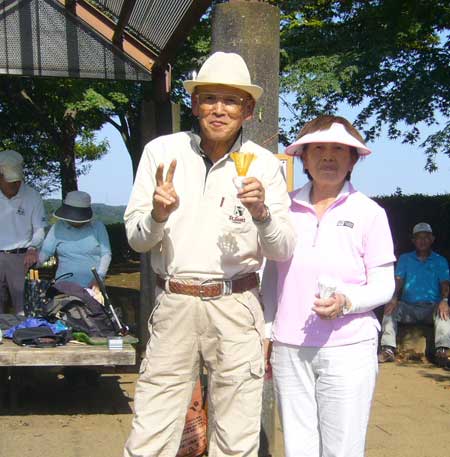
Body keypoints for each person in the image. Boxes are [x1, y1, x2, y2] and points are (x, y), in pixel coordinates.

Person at [123, 51, 296, 457]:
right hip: (175, 301)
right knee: (151, 428)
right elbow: (136, 238)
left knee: (235, 437)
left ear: (248, 109)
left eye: (231, 100)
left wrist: (262, 213)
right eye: (209, 98)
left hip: (236, 305)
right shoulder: (160, 153)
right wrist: (158, 215)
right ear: (196, 103)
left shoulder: (266, 166)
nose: (219, 109)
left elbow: (284, 247)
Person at [262, 115, 395, 457]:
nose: (328, 156)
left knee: (343, 449)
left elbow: (383, 285)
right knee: (298, 447)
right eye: (318, 148)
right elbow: (270, 275)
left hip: (350, 347)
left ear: (353, 159)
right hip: (290, 346)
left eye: (339, 148)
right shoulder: (282, 208)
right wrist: (267, 331)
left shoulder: (370, 213)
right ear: (303, 157)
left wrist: (346, 301)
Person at [378, 222, 450, 367]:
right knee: (390, 308)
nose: (422, 241)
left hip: (431, 308)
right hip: (408, 307)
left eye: (426, 237)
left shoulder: (440, 261)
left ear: (432, 239)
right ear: (413, 241)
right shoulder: (405, 259)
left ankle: (442, 351)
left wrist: (445, 300)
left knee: (444, 312)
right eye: (418, 237)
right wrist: (393, 298)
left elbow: (445, 284)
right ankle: (388, 349)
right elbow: (398, 280)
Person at [0, 150, 47, 314]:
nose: (15, 185)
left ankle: (23, 336)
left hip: (21, 257)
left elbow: (39, 229)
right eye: (10, 181)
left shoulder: (33, 196)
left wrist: (33, 248)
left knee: (24, 309)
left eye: (17, 181)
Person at [38, 191, 112, 288]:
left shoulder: (98, 227)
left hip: (93, 285)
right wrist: (33, 262)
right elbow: (45, 252)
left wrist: (100, 277)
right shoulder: (58, 227)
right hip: (64, 285)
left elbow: (106, 254)